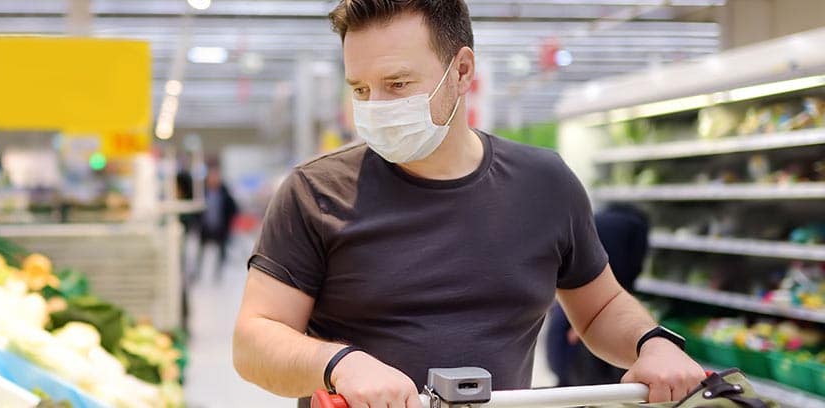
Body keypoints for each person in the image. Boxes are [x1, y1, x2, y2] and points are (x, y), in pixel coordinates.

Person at [232, 2, 706, 407]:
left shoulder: (545, 184)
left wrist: (652, 344)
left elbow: (600, 307)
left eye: (397, 84)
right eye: (360, 89)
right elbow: (254, 341)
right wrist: (339, 363)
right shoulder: (316, 192)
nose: (375, 106)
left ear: (461, 72)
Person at [548, 204, 652, 387]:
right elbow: (629, 271)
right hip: (595, 319)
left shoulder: (596, 220)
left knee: (568, 383)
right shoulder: (635, 226)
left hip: (570, 313)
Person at [195, 165, 238, 283]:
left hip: (220, 228)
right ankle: (199, 274)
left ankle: (217, 275)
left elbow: (234, 209)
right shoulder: (202, 193)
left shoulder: (224, 193)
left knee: (221, 253)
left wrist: (228, 223)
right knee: (201, 252)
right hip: (206, 228)